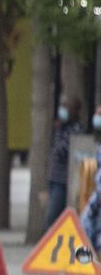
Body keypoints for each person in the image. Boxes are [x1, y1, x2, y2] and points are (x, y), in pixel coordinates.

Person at [46, 96, 83, 232]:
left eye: (66, 107)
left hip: (63, 181)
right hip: (54, 178)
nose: (63, 110)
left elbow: (62, 150)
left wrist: (59, 131)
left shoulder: (75, 129)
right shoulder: (61, 128)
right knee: (53, 216)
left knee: (52, 217)